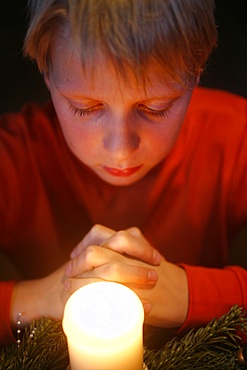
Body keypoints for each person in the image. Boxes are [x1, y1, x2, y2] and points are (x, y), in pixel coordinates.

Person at [0, 0, 246, 348]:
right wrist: (39, 298)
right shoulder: (12, 157)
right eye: (85, 108)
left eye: (155, 108)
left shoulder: (236, 136)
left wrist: (187, 294)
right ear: (47, 73)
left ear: (197, 73)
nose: (120, 149)